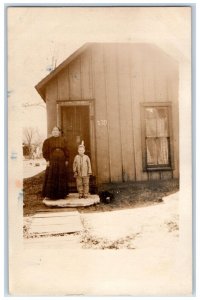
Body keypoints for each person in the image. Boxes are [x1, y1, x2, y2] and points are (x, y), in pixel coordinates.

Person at [42, 126, 69, 200]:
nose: (55, 131)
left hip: (61, 161)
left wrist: (66, 159)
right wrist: (47, 160)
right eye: (53, 130)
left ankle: (61, 194)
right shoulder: (47, 141)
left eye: (56, 130)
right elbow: (45, 152)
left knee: (61, 176)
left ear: (59, 132)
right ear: (52, 132)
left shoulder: (63, 140)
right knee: (52, 176)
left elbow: (66, 150)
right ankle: (51, 195)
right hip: (52, 161)